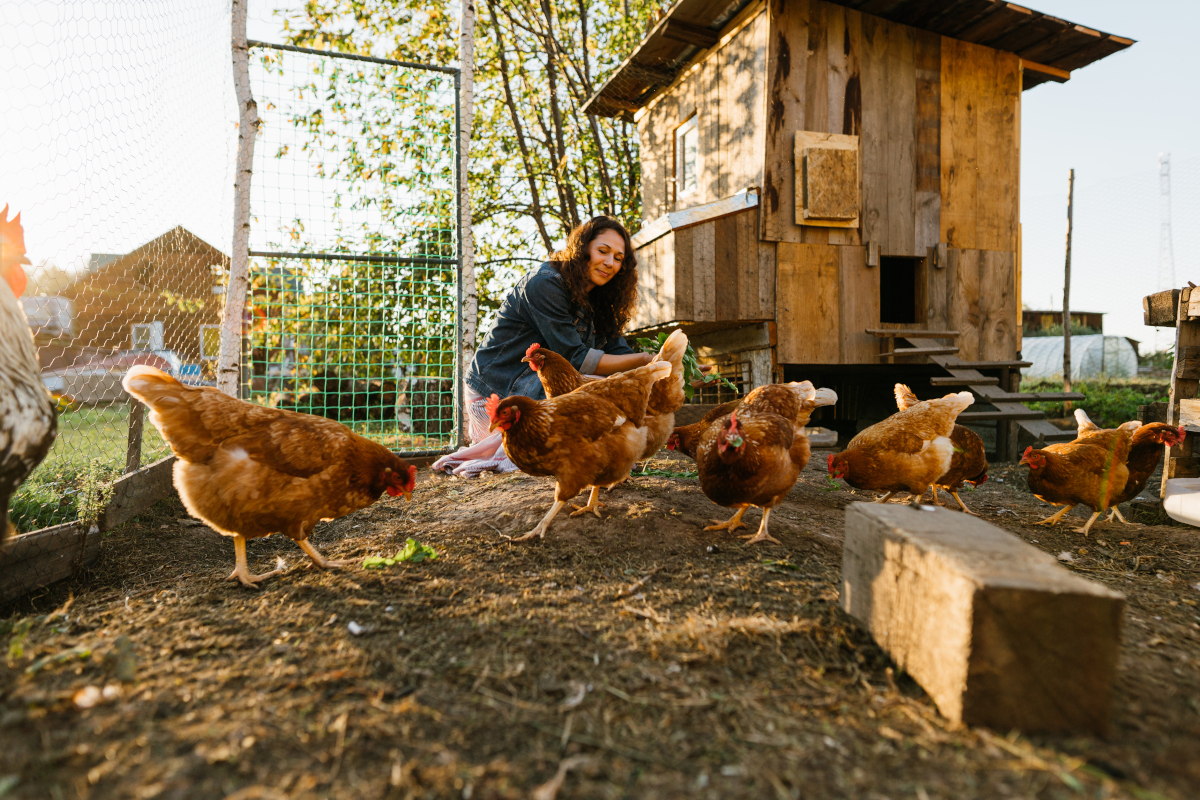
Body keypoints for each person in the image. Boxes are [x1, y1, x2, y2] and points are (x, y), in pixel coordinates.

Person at [432, 216, 651, 476]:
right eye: (602, 251)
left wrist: (667, 367)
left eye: (618, 258)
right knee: (596, 389)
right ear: (583, 250)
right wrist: (646, 362)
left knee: (613, 386)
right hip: (496, 395)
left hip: (538, 392)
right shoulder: (545, 283)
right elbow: (578, 359)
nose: (609, 262)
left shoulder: (601, 300)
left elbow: (619, 351)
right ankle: (480, 456)